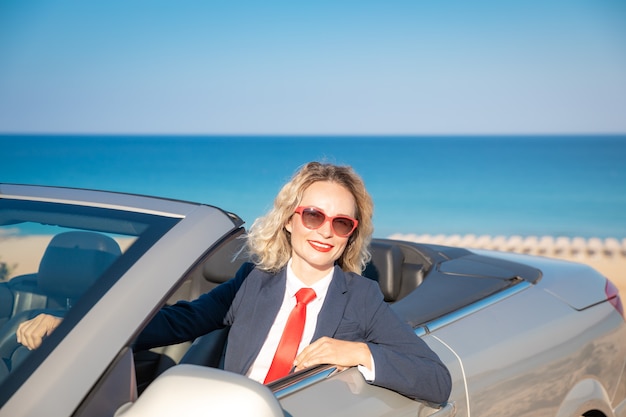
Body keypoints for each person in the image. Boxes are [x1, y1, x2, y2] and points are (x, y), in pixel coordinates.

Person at [17, 161, 451, 403]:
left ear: (351, 234)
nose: (324, 231)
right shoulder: (253, 280)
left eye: (341, 223)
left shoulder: (361, 297)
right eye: (314, 216)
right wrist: (75, 327)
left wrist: (359, 352)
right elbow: (178, 322)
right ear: (289, 221)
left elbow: (436, 380)